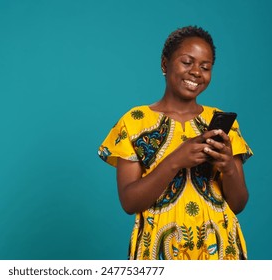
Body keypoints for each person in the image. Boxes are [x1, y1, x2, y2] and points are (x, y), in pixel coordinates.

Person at [97, 26, 253, 260]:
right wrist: (174, 161)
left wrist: (228, 166)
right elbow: (129, 203)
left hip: (219, 250)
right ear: (164, 64)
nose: (196, 72)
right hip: (158, 251)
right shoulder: (134, 122)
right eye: (187, 62)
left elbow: (239, 203)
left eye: (205, 67)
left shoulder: (221, 123)